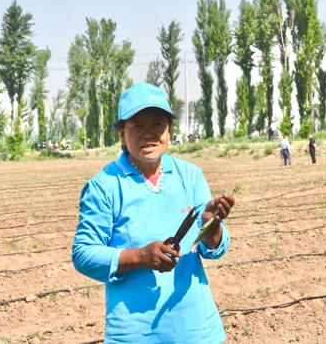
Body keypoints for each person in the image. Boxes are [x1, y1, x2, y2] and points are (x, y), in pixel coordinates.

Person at [72, 82, 235, 344]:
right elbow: (83, 254)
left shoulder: (190, 176)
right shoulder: (104, 185)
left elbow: (213, 247)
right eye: (137, 126)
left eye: (158, 124)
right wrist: (140, 256)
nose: (149, 134)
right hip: (135, 333)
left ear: (169, 130)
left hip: (196, 329)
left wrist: (210, 223)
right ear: (122, 134)